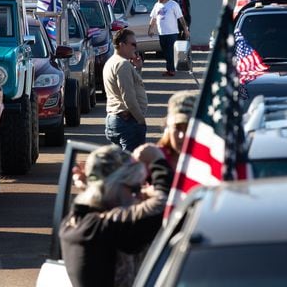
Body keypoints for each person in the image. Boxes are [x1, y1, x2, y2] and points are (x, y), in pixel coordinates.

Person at [60, 144, 171, 287]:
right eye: (135, 188)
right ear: (112, 187)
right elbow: (165, 204)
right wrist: (158, 160)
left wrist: (90, 186)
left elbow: (107, 200)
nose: (137, 196)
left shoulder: (77, 221)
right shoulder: (103, 228)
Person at [103, 29, 148, 152]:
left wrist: (137, 69)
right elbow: (128, 97)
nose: (136, 47)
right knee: (132, 166)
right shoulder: (123, 65)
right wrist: (140, 120)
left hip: (116, 119)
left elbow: (132, 86)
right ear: (122, 45)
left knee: (122, 164)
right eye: (133, 44)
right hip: (127, 121)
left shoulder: (112, 62)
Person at [148, 0, 190, 76]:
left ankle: (171, 70)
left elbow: (181, 18)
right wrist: (151, 28)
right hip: (162, 33)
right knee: (165, 52)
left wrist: (185, 29)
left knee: (170, 52)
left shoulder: (173, 4)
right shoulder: (157, 5)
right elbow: (153, 18)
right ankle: (170, 68)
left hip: (172, 33)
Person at [155, 90, 198, 170]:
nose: (182, 135)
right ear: (167, 127)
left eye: (188, 128)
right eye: (177, 128)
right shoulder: (154, 159)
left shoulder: (208, 163)